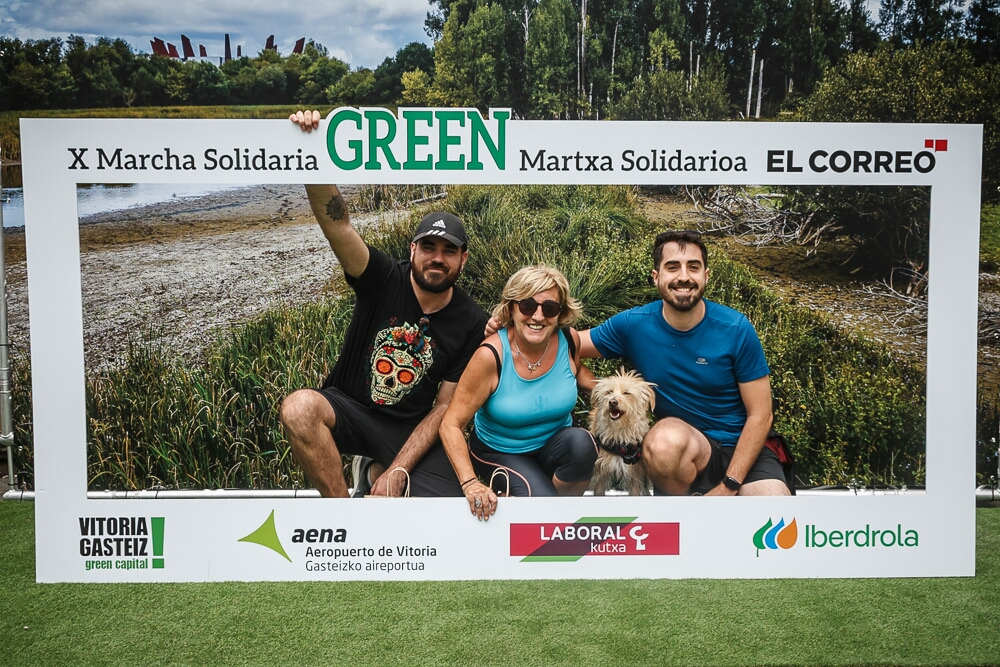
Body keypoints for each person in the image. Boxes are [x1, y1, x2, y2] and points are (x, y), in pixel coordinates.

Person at [280, 110, 488, 497]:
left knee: (447, 504)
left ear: (463, 260)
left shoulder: (472, 320)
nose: (437, 258)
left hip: (409, 431)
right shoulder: (381, 276)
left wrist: (396, 471)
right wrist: (311, 155)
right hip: (351, 410)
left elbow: (444, 408)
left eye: (448, 250)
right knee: (298, 408)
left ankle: (375, 471)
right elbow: (338, 224)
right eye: (428, 247)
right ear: (412, 249)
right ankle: (344, 516)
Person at [579, 229, 790, 496]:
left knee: (772, 506)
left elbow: (761, 415)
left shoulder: (735, 328)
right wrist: (517, 327)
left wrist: (729, 487)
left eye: (693, 266)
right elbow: (569, 344)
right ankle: (681, 514)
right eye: (672, 267)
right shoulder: (633, 325)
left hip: (744, 450)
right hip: (684, 449)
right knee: (663, 443)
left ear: (705, 275)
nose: (683, 276)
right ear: (656, 277)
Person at [440, 265, 599, 520]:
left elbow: (577, 372)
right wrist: (470, 483)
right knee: (540, 503)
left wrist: (615, 393)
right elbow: (450, 424)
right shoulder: (491, 356)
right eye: (527, 306)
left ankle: (551, 515)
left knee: (583, 446)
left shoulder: (568, 341)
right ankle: (544, 513)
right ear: (511, 308)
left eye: (549, 308)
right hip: (500, 450)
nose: (538, 316)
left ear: (560, 313)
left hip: (552, 444)